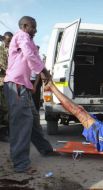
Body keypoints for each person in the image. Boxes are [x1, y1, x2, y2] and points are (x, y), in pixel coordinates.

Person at [3, 16, 54, 173]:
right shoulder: (21, 36)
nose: (36, 30)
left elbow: (35, 57)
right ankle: (20, 164)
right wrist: (43, 72)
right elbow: (31, 56)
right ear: (25, 26)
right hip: (16, 85)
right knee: (21, 123)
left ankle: (46, 149)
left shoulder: (29, 40)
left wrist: (42, 74)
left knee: (32, 119)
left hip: (23, 86)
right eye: (33, 27)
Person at [0, 31, 13, 142]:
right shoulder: (1, 50)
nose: (9, 43)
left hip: (7, 82)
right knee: (4, 108)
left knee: (6, 108)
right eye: (8, 40)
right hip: (2, 81)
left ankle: (5, 132)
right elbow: (4, 65)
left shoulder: (12, 50)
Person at [30, 45, 42, 111]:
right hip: (28, 82)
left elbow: (38, 74)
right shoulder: (28, 58)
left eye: (37, 50)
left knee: (35, 100)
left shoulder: (38, 59)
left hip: (35, 82)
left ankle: (36, 113)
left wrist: (34, 86)